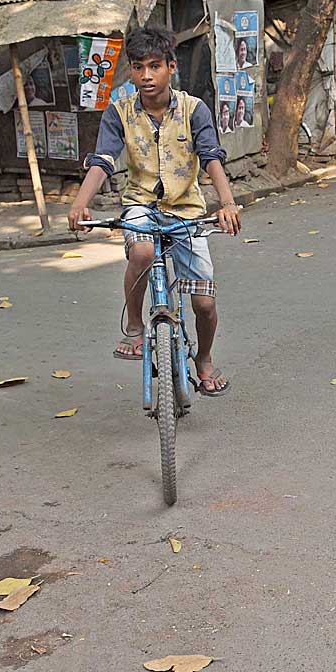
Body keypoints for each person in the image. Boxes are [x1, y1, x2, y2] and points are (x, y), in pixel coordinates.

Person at [68, 27, 242, 397]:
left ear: (170, 67)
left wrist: (226, 203)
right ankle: (134, 327)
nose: (146, 76)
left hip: (187, 211)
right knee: (142, 252)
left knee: (204, 303)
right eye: (138, 67)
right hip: (140, 206)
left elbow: (211, 158)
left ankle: (205, 360)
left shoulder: (195, 109)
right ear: (130, 70)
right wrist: (81, 202)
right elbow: (102, 160)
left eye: (155, 66)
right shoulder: (119, 113)